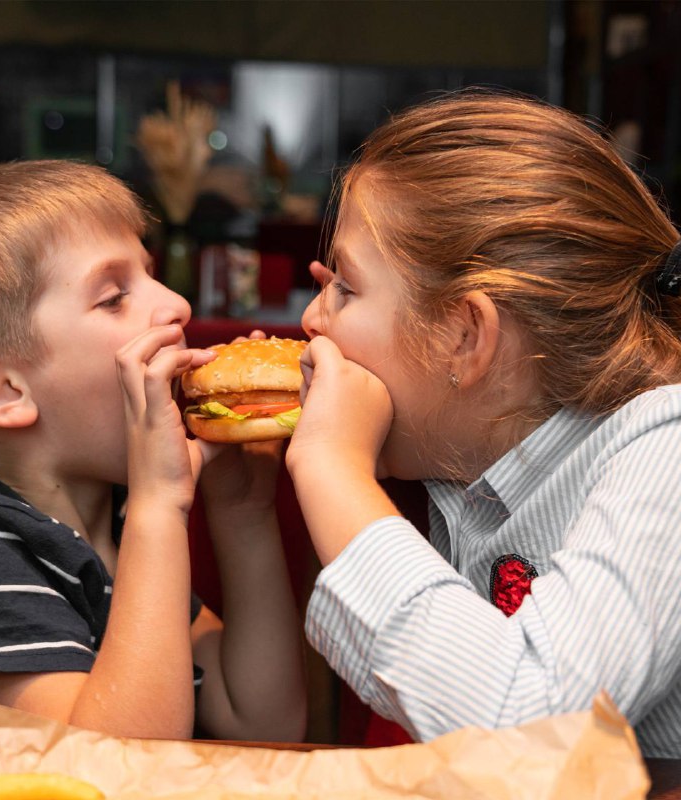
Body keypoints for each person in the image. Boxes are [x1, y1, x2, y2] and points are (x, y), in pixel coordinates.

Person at [287, 89, 681, 758]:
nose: (311, 322)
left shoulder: (665, 453)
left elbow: (532, 732)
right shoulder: (462, 468)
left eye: (345, 289)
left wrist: (331, 466)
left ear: (465, 337)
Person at [0, 159, 307, 743]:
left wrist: (244, 514)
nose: (176, 305)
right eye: (113, 297)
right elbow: (115, 765)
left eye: (152, 273)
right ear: (0, 388)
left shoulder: (112, 516)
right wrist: (160, 510)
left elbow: (263, 724)